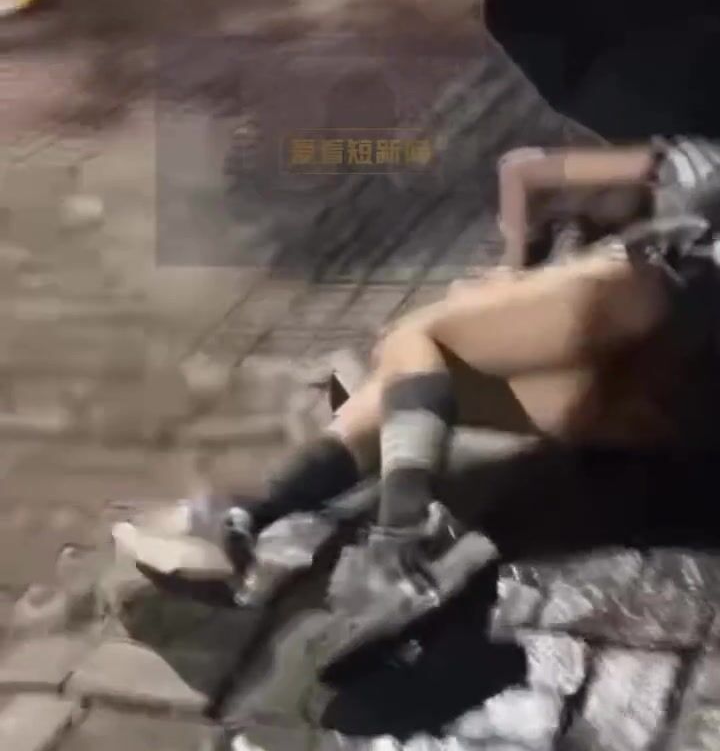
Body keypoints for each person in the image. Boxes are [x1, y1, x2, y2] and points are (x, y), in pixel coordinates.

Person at [129, 135, 720, 676]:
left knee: (415, 340)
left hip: (677, 303)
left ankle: (374, 529)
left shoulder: (664, 188)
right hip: (672, 418)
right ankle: (260, 521)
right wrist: (519, 280)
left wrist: (516, 269)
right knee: (417, 382)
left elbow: (527, 172)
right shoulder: (644, 210)